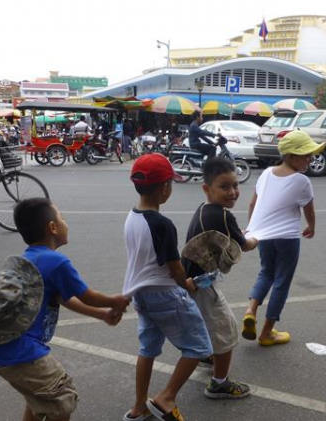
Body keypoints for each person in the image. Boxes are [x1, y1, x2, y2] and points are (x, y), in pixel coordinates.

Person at [0, 197, 130, 421]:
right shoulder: (57, 262)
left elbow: (63, 299)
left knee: (39, 398)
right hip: (21, 351)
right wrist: (113, 302)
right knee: (62, 398)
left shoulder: (28, 260)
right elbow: (87, 295)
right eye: (62, 217)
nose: (66, 222)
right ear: (53, 227)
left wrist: (102, 314)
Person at [123, 154, 213, 421]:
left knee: (148, 349)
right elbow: (175, 269)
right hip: (164, 295)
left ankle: (138, 407)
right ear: (165, 188)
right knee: (199, 347)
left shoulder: (131, 217)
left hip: (143, 295)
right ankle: (166, 397)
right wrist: (187, 286)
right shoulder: (162, 225)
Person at [182, 157, 259, 400]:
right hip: (203, 285)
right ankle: (219, 383)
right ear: (207, 188)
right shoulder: (223, 216)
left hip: (190, 282)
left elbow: (230, 236)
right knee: (225, 331)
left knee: (206, 324)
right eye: (224, 187)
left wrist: (241, 235)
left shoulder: (204, 209)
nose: (233, 192)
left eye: (235, 185)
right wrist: (258, 237)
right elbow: (245, 245)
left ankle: (207, 355)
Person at [242, 131, 321, 346]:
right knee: (281, 282)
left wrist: (251, 230)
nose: (309, 160)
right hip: (287, 237)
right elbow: (310, 212)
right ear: (291, 156)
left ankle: (251, 310)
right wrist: (311, 227)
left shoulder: (266, 173)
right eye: (306, 155)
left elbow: (252, 204)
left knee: (266, 272)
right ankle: (267, 333)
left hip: (262, 236)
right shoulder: (302, 181)